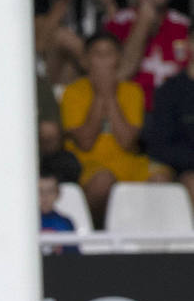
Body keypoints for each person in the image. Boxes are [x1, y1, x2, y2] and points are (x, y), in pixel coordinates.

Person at [60, 32, 157, 228]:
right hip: (89, 166)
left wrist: (111, 97)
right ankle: (98, 233)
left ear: (118, 58)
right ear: (86, 60)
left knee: (161, 179)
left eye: (109, 54)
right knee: (103, 182)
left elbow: (127, 142)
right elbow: (86, 142)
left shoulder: (132, 91)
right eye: (97, 54)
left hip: (128, 163)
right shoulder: (72, 93)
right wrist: (99, 97)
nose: (104, 60)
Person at [104, 0, 190, 109]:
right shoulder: (117, 24)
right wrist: (143, 22)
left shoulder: (185, 26)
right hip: (129, 110)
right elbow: (120, 74)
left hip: (176, 111)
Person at [143, 52, 194, 206]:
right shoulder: (169, 90)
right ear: (189, 45)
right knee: (162, 181)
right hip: (177, 166)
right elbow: (160, 146)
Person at [38, 168, 77, 255]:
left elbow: (74, 256)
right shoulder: (25, 224)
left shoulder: (65, 223)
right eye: (40, 191)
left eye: (50, 191)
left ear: (58, 194)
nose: (45, 197)